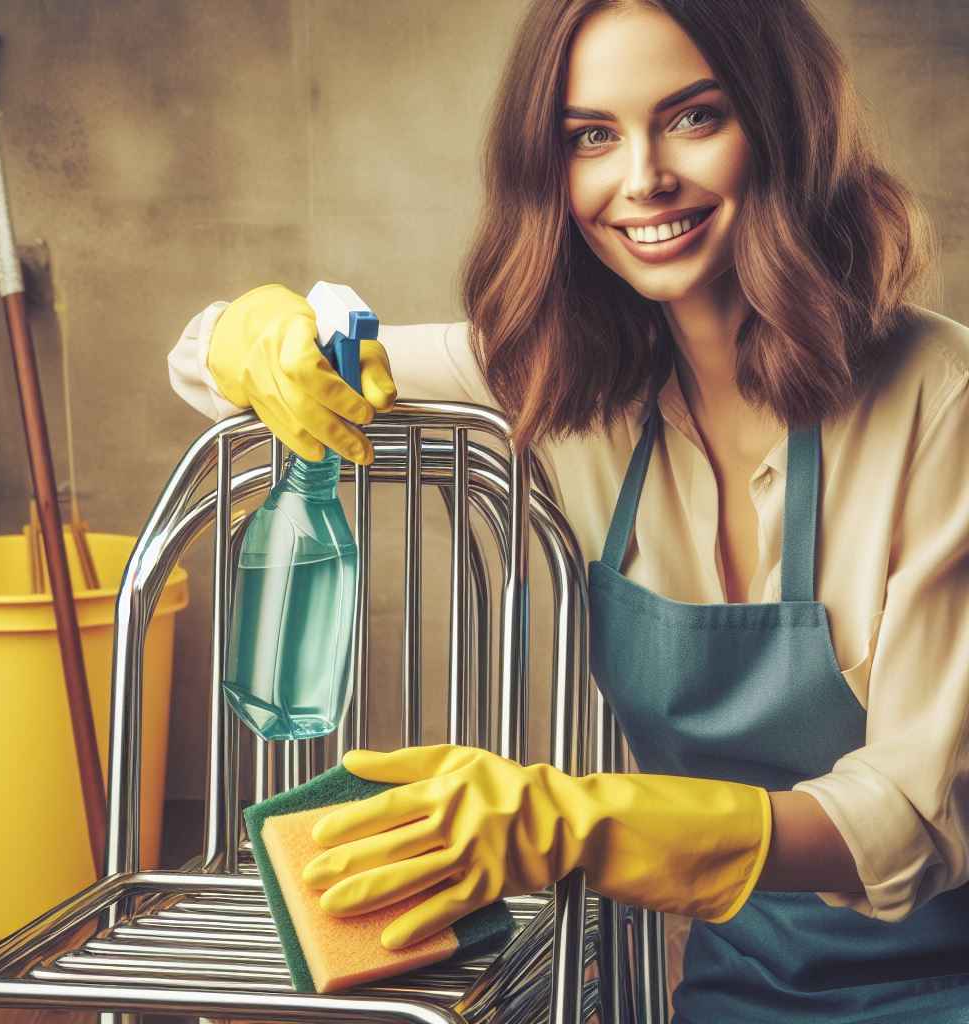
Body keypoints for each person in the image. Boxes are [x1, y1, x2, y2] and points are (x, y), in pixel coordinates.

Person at [168, 0, 969, 1019]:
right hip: (737, 985)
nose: (641, 179)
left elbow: (909, 821)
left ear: (784, 122)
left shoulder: (938, 396)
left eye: (692, 117)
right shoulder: (567, 383)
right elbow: (215, 371)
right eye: (591, 136)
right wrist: (257, 329)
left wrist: (571, 824)